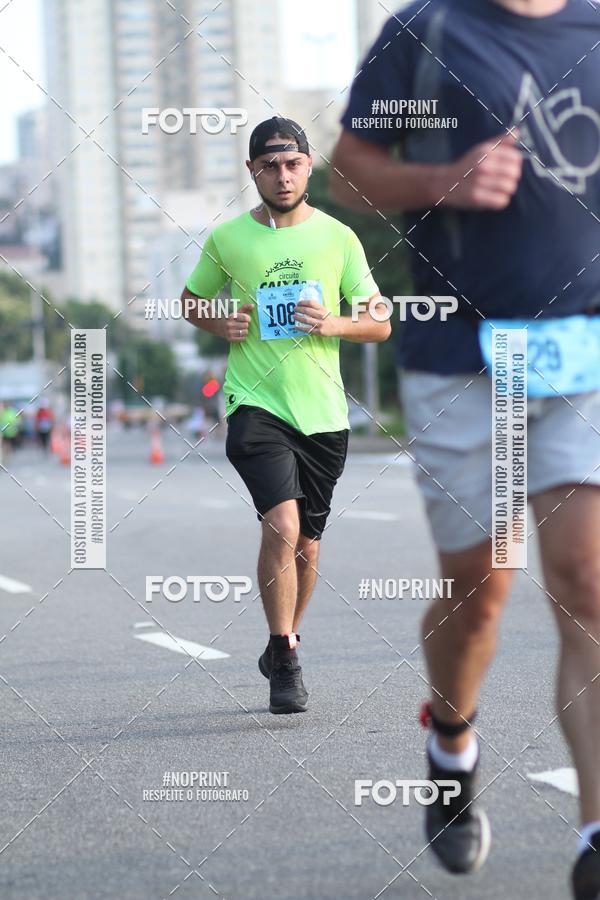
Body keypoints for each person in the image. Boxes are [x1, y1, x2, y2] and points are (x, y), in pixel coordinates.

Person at [332, 0, 600, 895]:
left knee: (588, 580)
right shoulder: (426, 29)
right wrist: (441, 179)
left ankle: (595, 837)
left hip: (586, 354)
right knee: (481, 590)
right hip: (460, 353)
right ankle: (452, 741)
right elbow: (350, 172)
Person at [181, 116, 389, 714]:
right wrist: (218, 322)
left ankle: (285, 639)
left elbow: (379, 322)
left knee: (310, 548)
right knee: (283, 527)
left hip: (323, 413)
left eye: (292, 163)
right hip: (255, 405)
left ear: (307, 166)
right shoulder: (227, 240)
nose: (282, 174)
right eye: (269, 164)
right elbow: (192, 300)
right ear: (252, 171)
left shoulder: (339, 239)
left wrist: (335, 323)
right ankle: (286, 659)